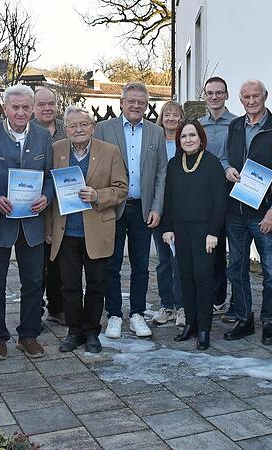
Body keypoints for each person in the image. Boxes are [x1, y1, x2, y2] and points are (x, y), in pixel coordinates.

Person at [0, 85, 54, 360]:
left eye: (26, 107)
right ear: (5, 108)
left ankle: (28, 335)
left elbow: (50, 176)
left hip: (32, 222)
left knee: (33, 281)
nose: (21, 112)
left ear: (32, 109)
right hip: (0, 221)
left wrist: (46, 197)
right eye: (15, 107)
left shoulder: (43, 136)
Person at [46, 106, 128, 353]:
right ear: (66, 129)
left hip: (97, 229)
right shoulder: (56, 149)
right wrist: (48, 228)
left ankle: (92, 331)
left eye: (83, 124)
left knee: (96, 284)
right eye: (72, 125)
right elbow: (48, 188)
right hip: (66, 231)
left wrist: (97, 195)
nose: (78, 129)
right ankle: (74, 331)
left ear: (92, 127)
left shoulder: (110, 151)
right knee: (69, 285)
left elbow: (121, 188)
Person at [218, 79, 272, 345]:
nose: (251, 101)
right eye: (246, 97)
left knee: (271, 271)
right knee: (236, 268)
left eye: (256, 96)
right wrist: (227, 169)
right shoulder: (235, 126)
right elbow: (223, 158)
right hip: (236, 212)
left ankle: (269, 321)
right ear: (240, 100)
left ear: (265, 96)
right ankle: (244, 318)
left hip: (265, 213)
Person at [94, 82, 167, 339]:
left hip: (143, 208)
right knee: (111, 264)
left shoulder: (156, 132)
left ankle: (137, 314)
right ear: (121, 103)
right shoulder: (103, 129)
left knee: (141, 265)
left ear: (147, 105)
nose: (136, 106)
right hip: (112, 207)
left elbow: (161, 174)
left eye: (141, 102)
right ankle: (114, 314)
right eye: (132, 101)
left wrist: (157, 207)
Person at [162, 120, 227, 350]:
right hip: (180, 229)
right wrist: (167, 227)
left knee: (203, 277)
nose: (188, 140)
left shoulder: (212, 163)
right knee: (186, 277)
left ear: (200, 138)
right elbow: (168, 198)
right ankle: (191, 323)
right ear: (178, 140)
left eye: (192, 135)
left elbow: (220, 200)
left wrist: (213, 232)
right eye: (183, 136)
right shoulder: (173, 164)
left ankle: (204, 329)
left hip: (204, 231)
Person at [198, 76, 238, 319]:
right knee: (212, 249)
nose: (214, 97)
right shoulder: (197, 126)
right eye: (210, 93)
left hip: (231, 193)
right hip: (204, 197)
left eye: (219, 92)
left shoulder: (236, 124)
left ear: (226, 95)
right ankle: (217, 298)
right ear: (204, 96)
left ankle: (236, 301)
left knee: (235, 250)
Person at [32, 87, 66, 326]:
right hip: (36, 205)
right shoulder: (29, 131)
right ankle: (35, 311)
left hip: (64, 205)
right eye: (41, 104)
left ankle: (58, 307)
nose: (47, 108)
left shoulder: (67, 129)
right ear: (34, 107)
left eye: (51, 103)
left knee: (60, 261)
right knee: (37, 265)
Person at [151, 100, 184, 327]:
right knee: (164, 261)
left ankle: (182, 306)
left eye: (176, 115)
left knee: (179, 260)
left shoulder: (186, 142)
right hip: (159, 210)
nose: (171, 119)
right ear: (161, 118)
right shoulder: (154, 143)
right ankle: (167, 305)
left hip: (182, 211)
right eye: (167, 115)